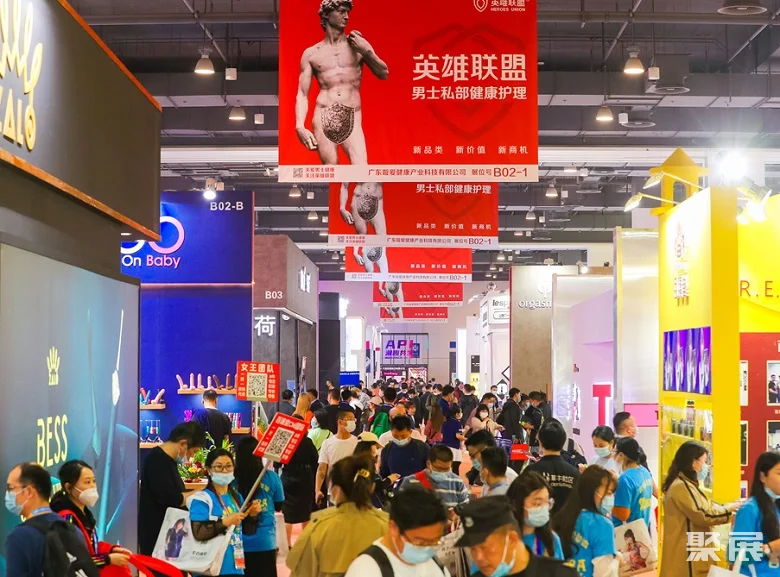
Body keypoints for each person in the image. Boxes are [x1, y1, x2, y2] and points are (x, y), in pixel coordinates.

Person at [296, 0, 389, 166]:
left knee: (361, 168)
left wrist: (367, 51)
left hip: (351, 114)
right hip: (323, 114)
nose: (346, 17)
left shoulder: (358, 45)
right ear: (326, 14)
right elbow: (302, 94)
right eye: (341, 11)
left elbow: (383, 73)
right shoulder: (311, 53)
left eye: (347, 12)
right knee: (330, 170)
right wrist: (299, 126)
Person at [287, 456, 389, 577]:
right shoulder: (390, 526)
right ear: (372, 487)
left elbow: (302, 573)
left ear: (335, 490)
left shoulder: (318, 528)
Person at [659, 441, 741, 577]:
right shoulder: (682, 486)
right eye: (704, 461)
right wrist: (729, 513)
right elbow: (703, 515)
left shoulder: (686, 485)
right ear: (693, 462)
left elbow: (703, 509)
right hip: (687, 561)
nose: (706, 466)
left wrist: (728, 508)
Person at [5, 462, 98, 577]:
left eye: (11, 488)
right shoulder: (72, 529)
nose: (8, 494)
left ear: (29, 491)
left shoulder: (20, 536)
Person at [455, 496, 577, 577]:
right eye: (473, 549)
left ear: (512, 539)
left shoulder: (560, 574)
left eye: (485, 547)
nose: (478, 557)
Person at [344, 485, 450, 577]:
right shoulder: (366, 570)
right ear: (394, 528)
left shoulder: (435, 564)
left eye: (434, 542)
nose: (427, 549)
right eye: (420, 542)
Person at [189, 449, 264, 576]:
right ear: (209, 470)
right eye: (219, 467)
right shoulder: (202, 499)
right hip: (210, 569)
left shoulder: (236, 497)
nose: (224, 471)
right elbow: (199, 533)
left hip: (235, 567)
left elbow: (246, 531)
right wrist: (225, 522)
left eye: (229, 466)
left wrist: (252, 515)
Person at [50, 460, 132, 571]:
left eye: (94, 481)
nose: (93, 486)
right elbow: (72, 561)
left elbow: (90, 547)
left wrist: (111, 549)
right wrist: (107, 559)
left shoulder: (84, 513)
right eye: (87, 482)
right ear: (68, 487)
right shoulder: (66, 518)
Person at [139, 421, 206, 555]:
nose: (191, 457)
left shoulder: (169, 461)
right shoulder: (156, 461)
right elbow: (172, 498)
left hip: (168, 537)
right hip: (157, 539)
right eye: (193, 452)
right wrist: (197, 492)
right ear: (183, 444)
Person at [554, 465, 619, 577]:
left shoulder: (562, 517)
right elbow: (605, 573)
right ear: (592, 492)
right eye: (608, 493)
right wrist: (617, 560)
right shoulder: (602, 525)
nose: (611, 498)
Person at [235, 437, 285, 577]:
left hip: (237, 543)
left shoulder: (231, 480)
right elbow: (279, 505)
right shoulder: (271, 477)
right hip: (265, 541)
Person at [731, 451, 780, 575]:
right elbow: (735, 553)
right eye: (779, 473)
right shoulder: (750, 509)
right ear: (763, 477)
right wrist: (770, 548)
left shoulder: (776, 507)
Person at [524, 421, 580, 514]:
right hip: (567, 522)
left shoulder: (531, 472)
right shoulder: (575, 474)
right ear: (563, 442)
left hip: (539, 521)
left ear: (540, 442)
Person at [281, 416, 320, 547]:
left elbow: (276, 463)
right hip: (305, 478)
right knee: (305, 512)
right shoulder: (307, 442)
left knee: (288, 514)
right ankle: (305, 543)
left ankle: (287, 544)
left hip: (288, 476)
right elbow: (315, 460)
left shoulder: (285, 440)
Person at [507, 471, 564, 560]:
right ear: (515, 505)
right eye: (537, 504)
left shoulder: (552, 540)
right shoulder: (502, 539)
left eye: (547, 502)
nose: (543, 508)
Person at [400, 444, 469, 510]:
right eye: (438, 468)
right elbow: (402, 509)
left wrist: (456, 513)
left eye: (446, 469)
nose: (442, 472)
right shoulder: (410, 482)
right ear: (428, 464)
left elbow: (465, 507)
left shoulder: (457, 482)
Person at [316, 409, 359, 505]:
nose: (353, 422)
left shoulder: (358, 442)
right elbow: (321, 469)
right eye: (350, 419)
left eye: (354, 419)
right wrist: (317, 490)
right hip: (333, 493)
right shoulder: (327, 443)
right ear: (340, 422)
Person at [611, 437, 653, 529]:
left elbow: (623, 514)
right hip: (642, 529)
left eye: (614, 452)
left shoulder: (625, 479)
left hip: (626, 533)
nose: (613, 456)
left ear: (621, 455)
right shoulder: (645, 472)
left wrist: (605, 503)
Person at [442, 405, 466, 475]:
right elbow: (458, 436)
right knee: (456, 467)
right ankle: (455, 479)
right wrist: (467, 439)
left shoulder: (445, 422)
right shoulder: (457, 423)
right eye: (460, 412)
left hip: (444, 446)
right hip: (454, 447)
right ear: (456, 414)